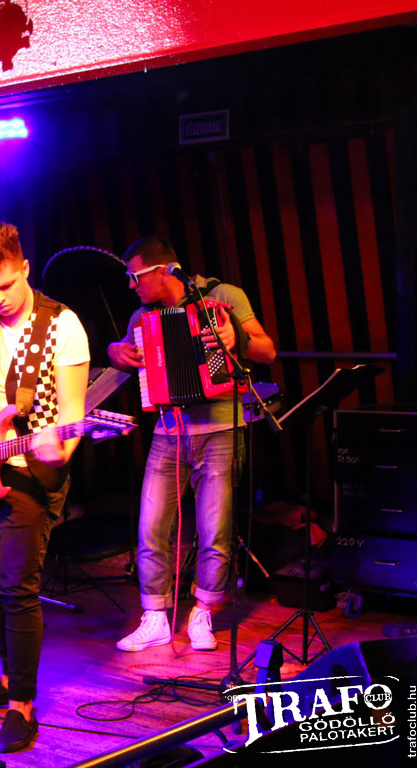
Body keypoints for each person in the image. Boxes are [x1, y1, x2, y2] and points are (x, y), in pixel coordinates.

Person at [0, 222, 89, 753]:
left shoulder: (63, 325)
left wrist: (60, 448)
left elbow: (72, 418)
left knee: (17, 588)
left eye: (6, 285)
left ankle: (22, 706)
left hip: (33, 473)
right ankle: (7, 678)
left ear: (25, 268)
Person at [106, 236, 276, 653]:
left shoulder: (224, 296)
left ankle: (203, 613)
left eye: (135, 276)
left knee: (215, 531)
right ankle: (155, 617)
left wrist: (236, 337)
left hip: (220, 430)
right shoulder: (142, 317)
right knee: (150, 528)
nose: (131, 285)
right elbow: (124, 354)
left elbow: (267, 351)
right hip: (168, 433)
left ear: (163, 271)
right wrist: (116, 352)